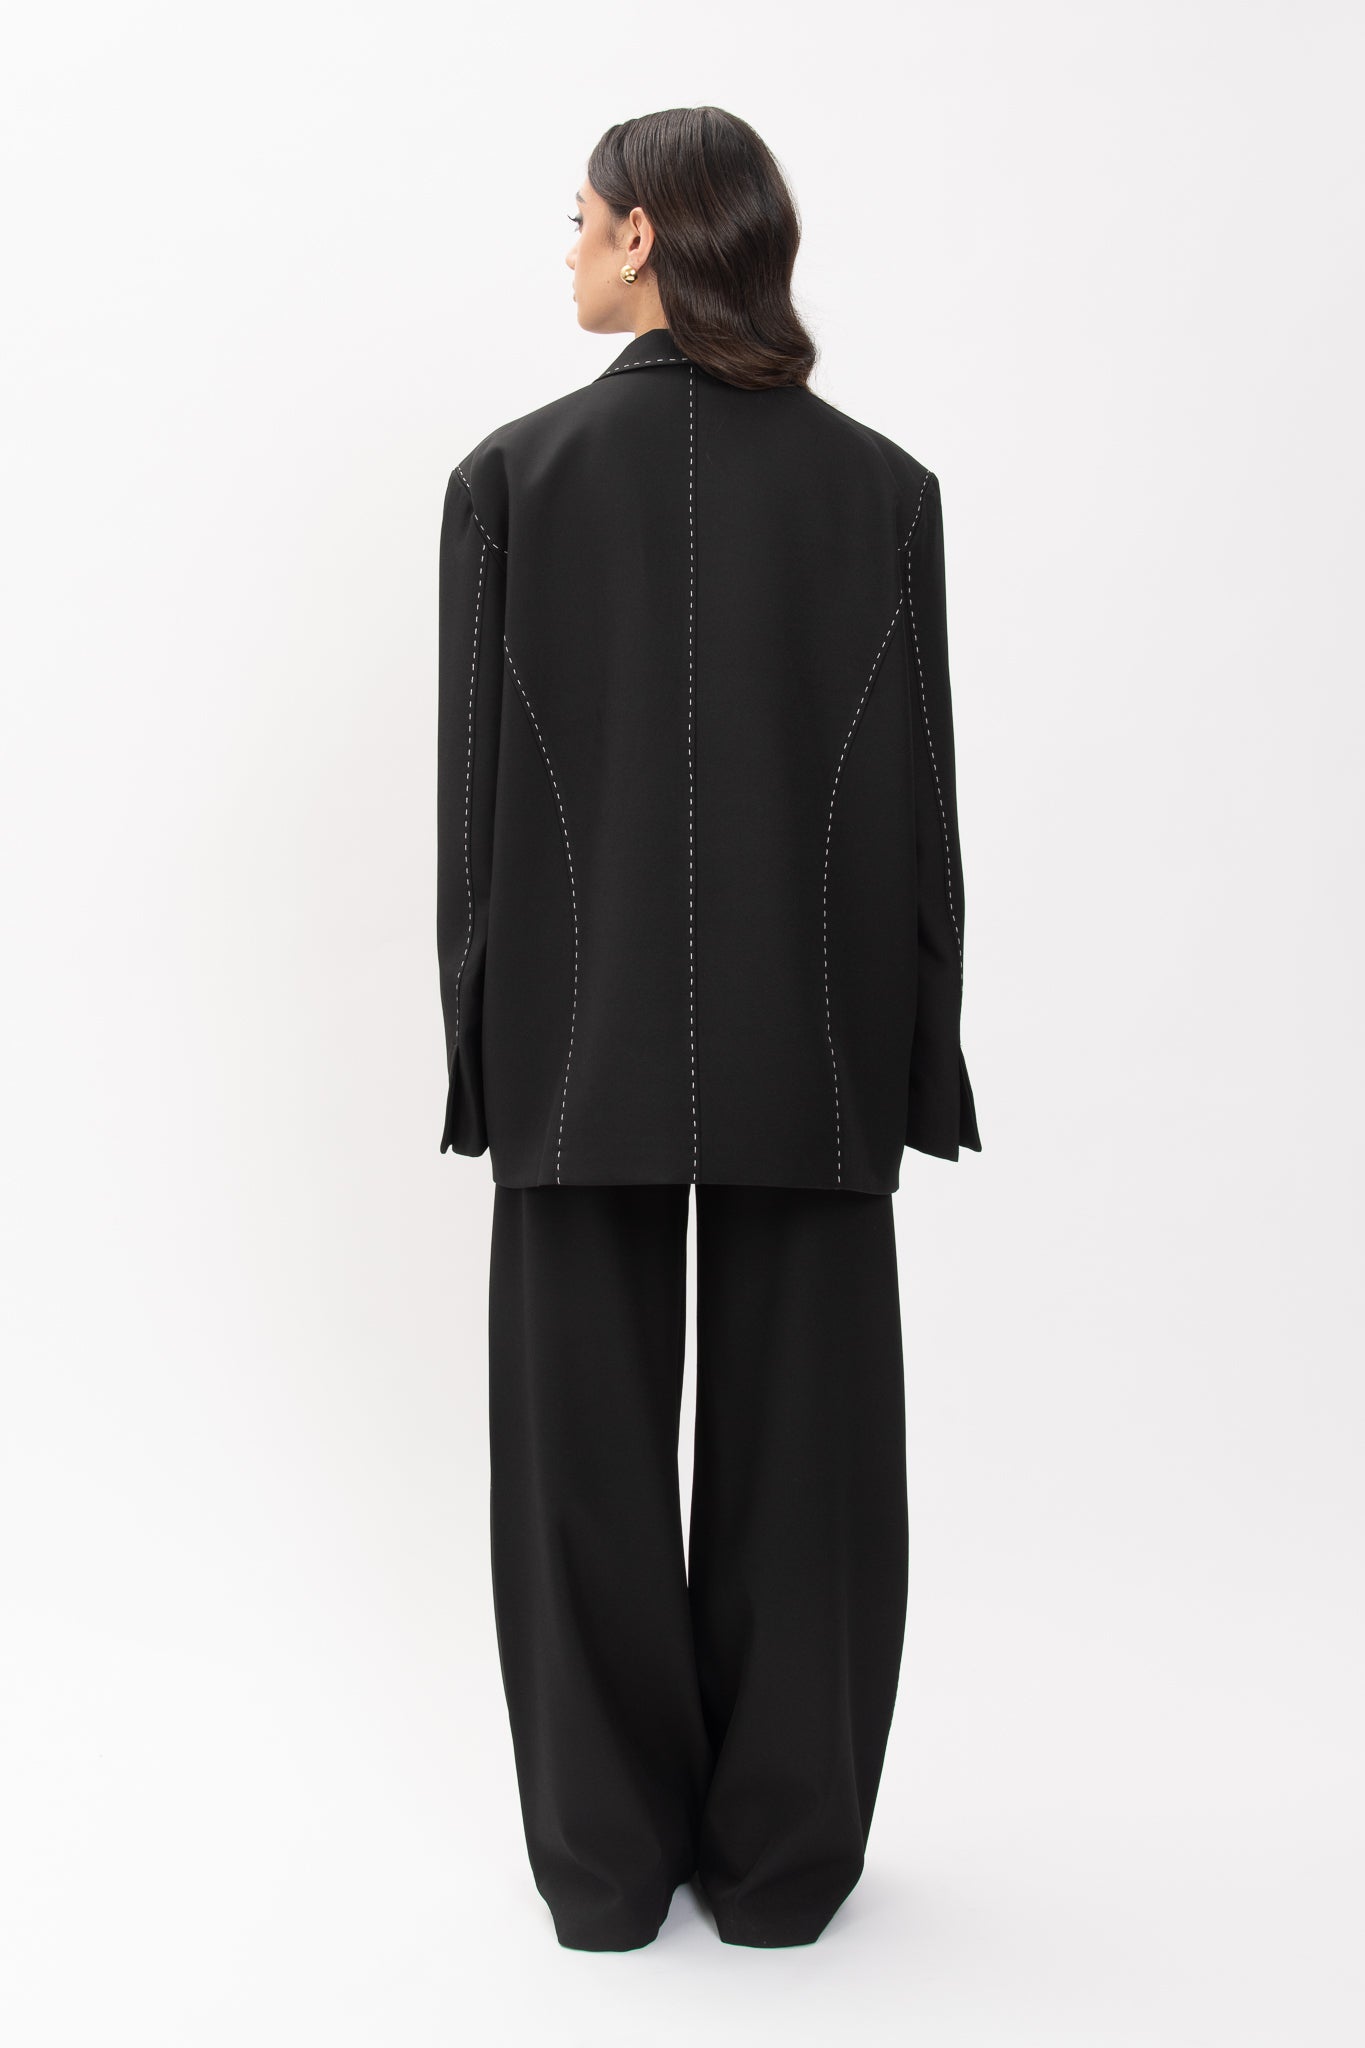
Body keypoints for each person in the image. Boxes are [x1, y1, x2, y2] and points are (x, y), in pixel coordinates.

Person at [436, 105, 982, 1953]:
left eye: (581, 219)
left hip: (571, 1043)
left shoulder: (510, 480)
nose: (566, 249)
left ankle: (602, 1876)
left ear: (648, 238)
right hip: (813, 1035)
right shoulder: (879, 489)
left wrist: (480, 1056)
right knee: (812, 1467)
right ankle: (781, 1873)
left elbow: (471, 821)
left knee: (573, 1469)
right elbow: (920, 807)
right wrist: (921, 1054)